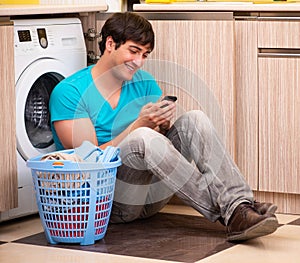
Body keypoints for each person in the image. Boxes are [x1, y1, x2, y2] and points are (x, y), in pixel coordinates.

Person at [49, 12, 278, 242]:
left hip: (149, 199)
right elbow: (89, 162)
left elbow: (160, 151)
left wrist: (163, 126)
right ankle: (236, 212)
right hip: (106, 206)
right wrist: (138, 126)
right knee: (141, 137)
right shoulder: (71, 92)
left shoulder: (144, 82)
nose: (139, 62)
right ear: (110, 43)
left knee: (194, 120)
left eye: (145, 54)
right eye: (133, 51)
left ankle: (238, 204)